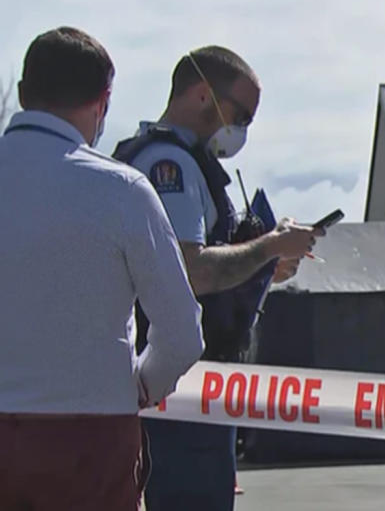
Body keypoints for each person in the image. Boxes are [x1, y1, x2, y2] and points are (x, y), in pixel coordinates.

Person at [0, 27, 206, 511]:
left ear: (22, 93)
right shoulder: (122, 190)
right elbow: (182, 331)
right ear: (103, 102)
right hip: (94, 435)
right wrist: (144, 382)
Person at [113, 46, 321, 510]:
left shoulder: (171, 160)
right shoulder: (170, 166)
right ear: (203, 96)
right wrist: (269, 246)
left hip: (184, 381)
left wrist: (264, 265)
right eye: (240, 114)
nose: (243, 129)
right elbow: (189, 272)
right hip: (182, 385)